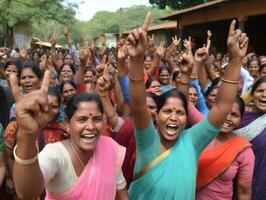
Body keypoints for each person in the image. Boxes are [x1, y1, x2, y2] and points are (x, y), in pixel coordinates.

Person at [126, 12, 248, 200]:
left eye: (180, 112)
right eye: (167, 111)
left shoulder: (192, 141)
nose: (173, 117)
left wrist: (235, 61)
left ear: (187, 118)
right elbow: (139, 104)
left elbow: (223, 106)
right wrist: (135, 60)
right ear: (156, 116)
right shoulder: (147, 139)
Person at [12, 70, 128, 200]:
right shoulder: (56, 153)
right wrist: (27, 135)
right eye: (82, 120)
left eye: (97, 119)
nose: (90, 127)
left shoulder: (110, 148)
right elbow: (28, 192)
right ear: (67, 124)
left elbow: (120, 193)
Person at [196, 96, 254, 200]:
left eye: (234, 115)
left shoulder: (244, 150)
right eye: (224, 112)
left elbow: (244, 192)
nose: (227, 118)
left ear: (240, 120)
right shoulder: (198, 136)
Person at [234, 76, 266, 200]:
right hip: (236, 183)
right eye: (260, 91)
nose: (264, 95)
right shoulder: (237, 119)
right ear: (252, 95)